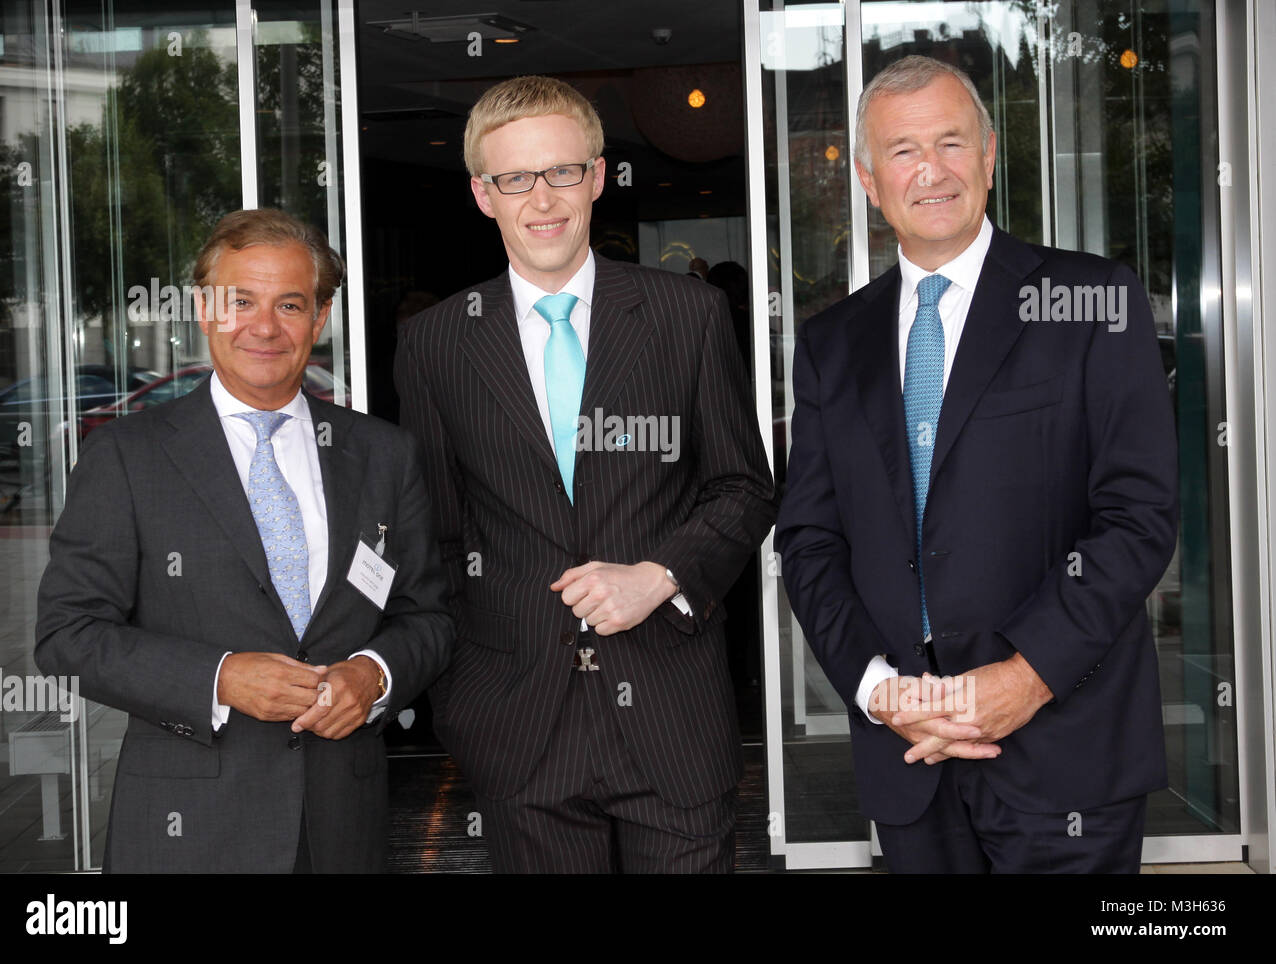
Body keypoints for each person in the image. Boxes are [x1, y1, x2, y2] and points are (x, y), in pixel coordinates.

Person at [776, 55, 1178, 873]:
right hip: (908, 754)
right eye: (902, 151)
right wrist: (878, 687)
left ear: (990, 155)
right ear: (867, 177)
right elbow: (810, 541)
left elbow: (1139, 517)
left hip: (1065, 747)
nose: (931, 171)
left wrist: (1026, 677)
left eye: (951, 143)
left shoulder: (1092, 301)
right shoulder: (829, 345)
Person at [396, 75, 776, 873]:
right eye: (515, 178)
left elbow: (743, 487)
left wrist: (661, 575)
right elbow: (436, 533)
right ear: (482, 194)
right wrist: (463, 707)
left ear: (598, 177)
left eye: (563, 171)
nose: (543, 198)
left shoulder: (687, 315)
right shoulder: (436, 343)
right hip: (519, 728)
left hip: (671, 712)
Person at [35, 208, 452, 873]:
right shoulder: (127, 455)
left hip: (342, 826)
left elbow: (425, 615)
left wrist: (374, 675)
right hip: (188, 834)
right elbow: (68, 635)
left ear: (319, 319)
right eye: (240, 302)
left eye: (290, 304)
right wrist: (221, 678)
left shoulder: (382, 454)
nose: (263, 326)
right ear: (204, 310)